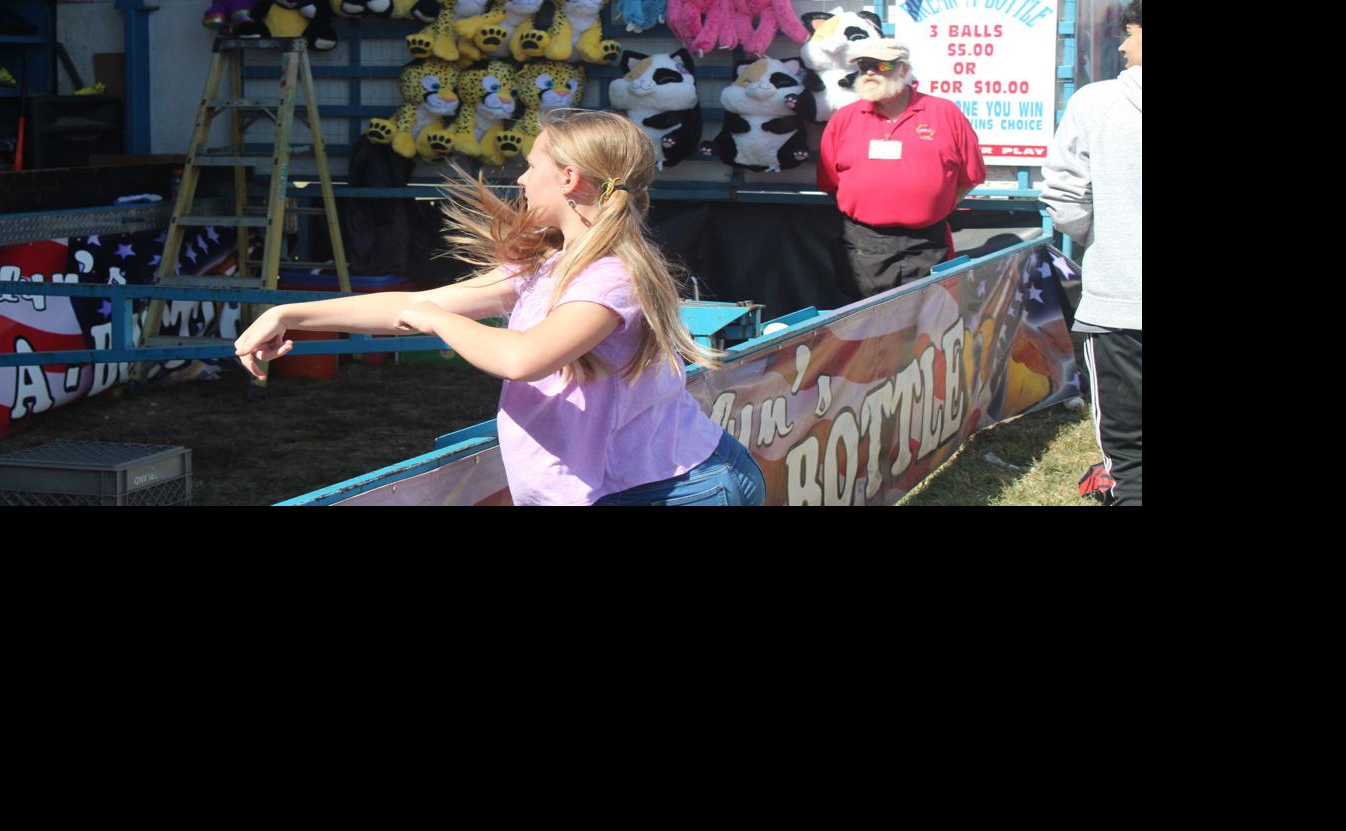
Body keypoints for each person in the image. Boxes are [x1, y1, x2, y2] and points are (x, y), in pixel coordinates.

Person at [233, 109, 766, 507]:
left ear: (569, 178)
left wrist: (436, 320)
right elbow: (415, 304)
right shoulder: (553, 262)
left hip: (671, 491)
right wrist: (289, 315)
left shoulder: (612, 277)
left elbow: (523, 358)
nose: (522, 179)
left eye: (532, 166)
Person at [1041, 0, 1141, 506]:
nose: (1121, 46)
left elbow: (1064, 199)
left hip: (1119, 305)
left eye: (1130, 32)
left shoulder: (1096, 102)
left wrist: (1110, 241)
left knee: (1129, 459)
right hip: (1117, 302)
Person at [816, 38, 986, 304]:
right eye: (864, 65)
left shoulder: (944, 113)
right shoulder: (844, 118)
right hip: (865, 244)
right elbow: (830, 181)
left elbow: (970, 176)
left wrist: (932, 207)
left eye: (880, 65)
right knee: (867, 319)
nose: (869, 71)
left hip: (927, 243)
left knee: (926, 318)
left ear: (904, 69)